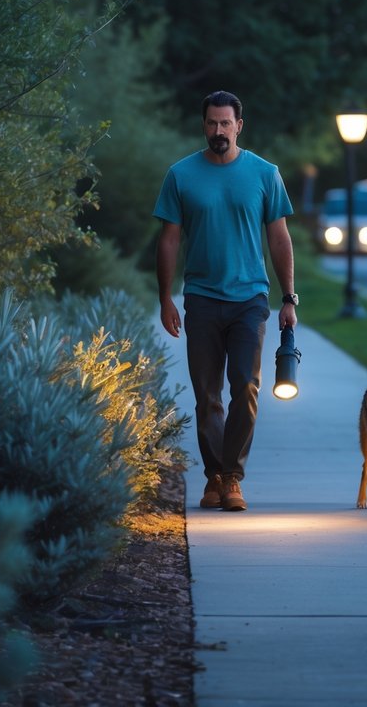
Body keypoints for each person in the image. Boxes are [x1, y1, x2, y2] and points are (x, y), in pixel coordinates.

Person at [153, 90, 298, 512]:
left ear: (239, 126)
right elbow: (169, 240)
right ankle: (214, 476)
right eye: (212, 123)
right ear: (204, 125)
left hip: (250, 297)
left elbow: (279, 237)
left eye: (226, 123)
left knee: (246, 387)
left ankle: (233, 477)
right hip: (200, 297)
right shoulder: (181, 175)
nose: (219, 130)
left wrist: (288, 297)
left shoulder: (264, 173)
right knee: (206, 394)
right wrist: (166, 297)